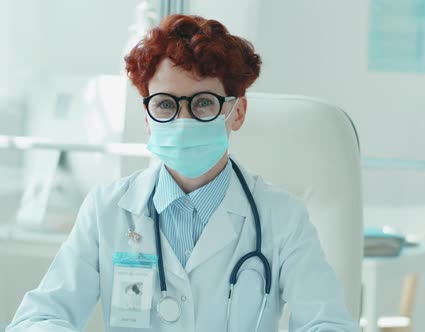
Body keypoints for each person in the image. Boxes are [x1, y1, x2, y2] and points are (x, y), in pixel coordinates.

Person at [7, 14, 358, 331]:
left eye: (203, 102)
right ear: (148, 118)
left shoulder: (282, 218)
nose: (183, 120)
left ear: (237, 112)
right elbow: (39, 318)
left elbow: (328, 323)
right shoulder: (107, 210)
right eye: (165, 104)